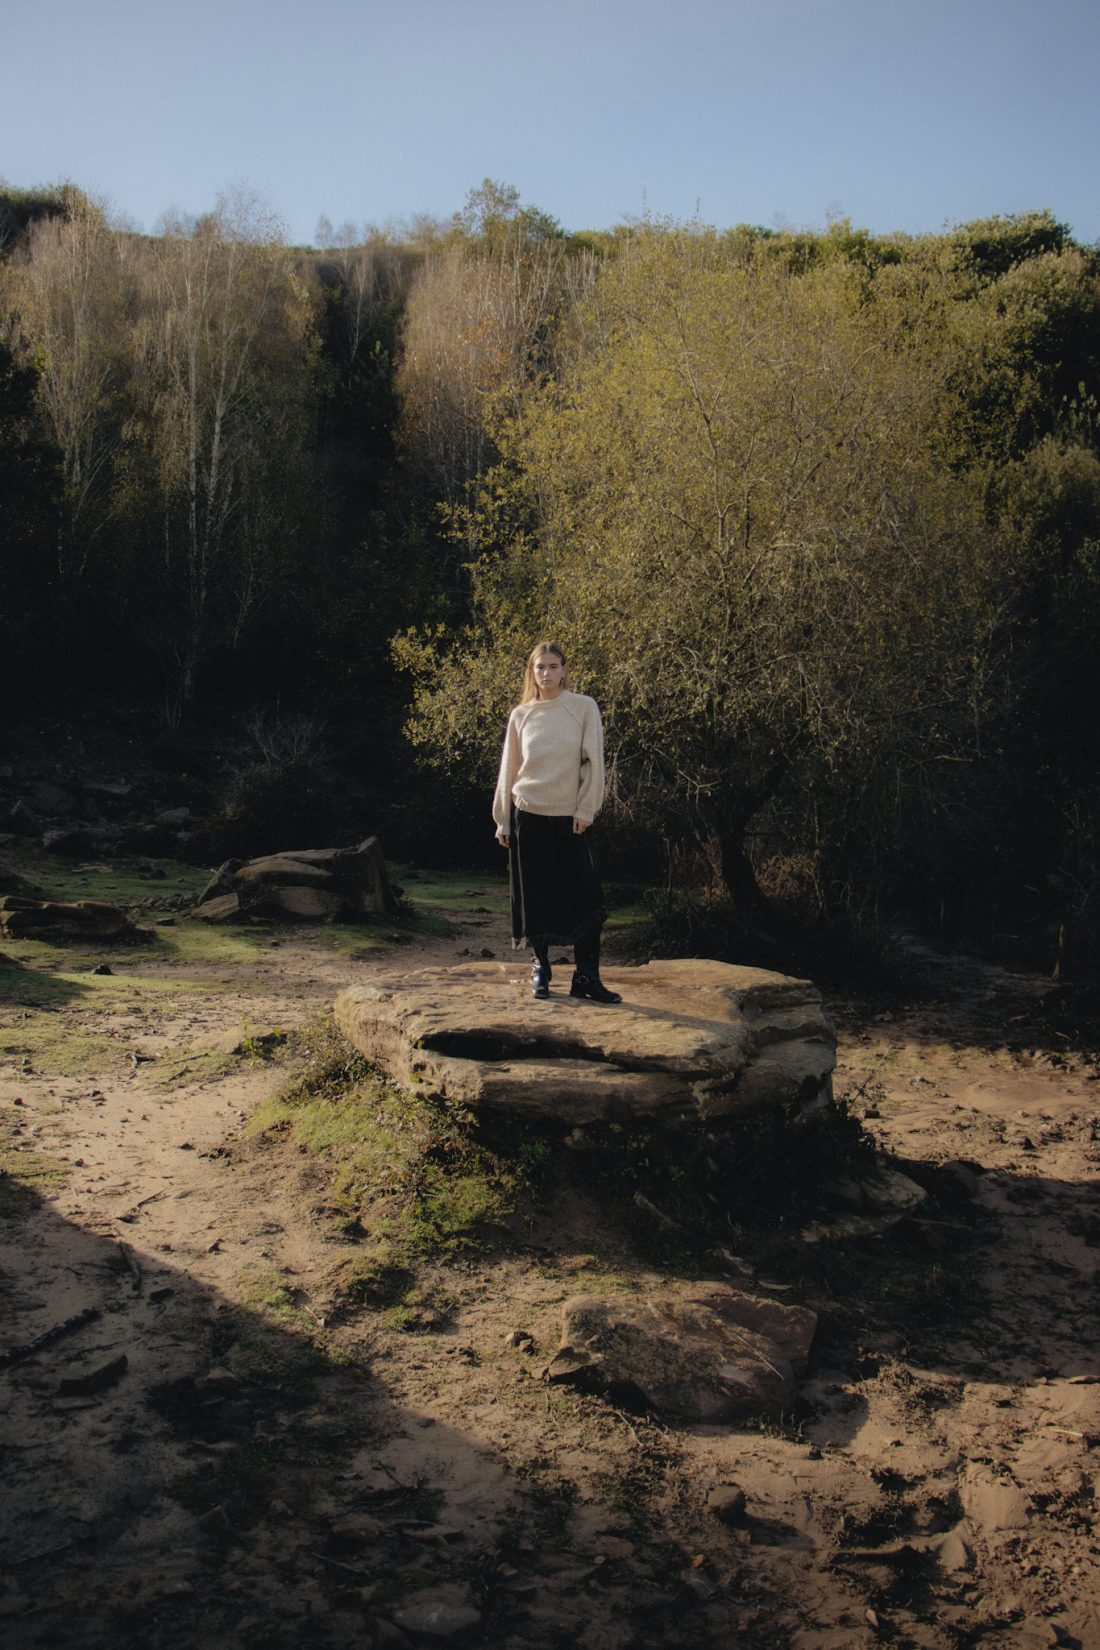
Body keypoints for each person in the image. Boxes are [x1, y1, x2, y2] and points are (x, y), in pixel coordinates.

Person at [492, 641, 622, 1004]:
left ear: (565, 670)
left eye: (553, 666)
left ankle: (586, 976)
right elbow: (510, 768)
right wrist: (503, 818)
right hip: (528, 814)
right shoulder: (521, 714)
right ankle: (541, 969)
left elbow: (594, 761)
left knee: (587, 896)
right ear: (531, 672)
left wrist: (585, 809)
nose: (546, 673)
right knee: (536, 898)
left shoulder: (582, 708)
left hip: (569, 819)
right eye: (539, 667)